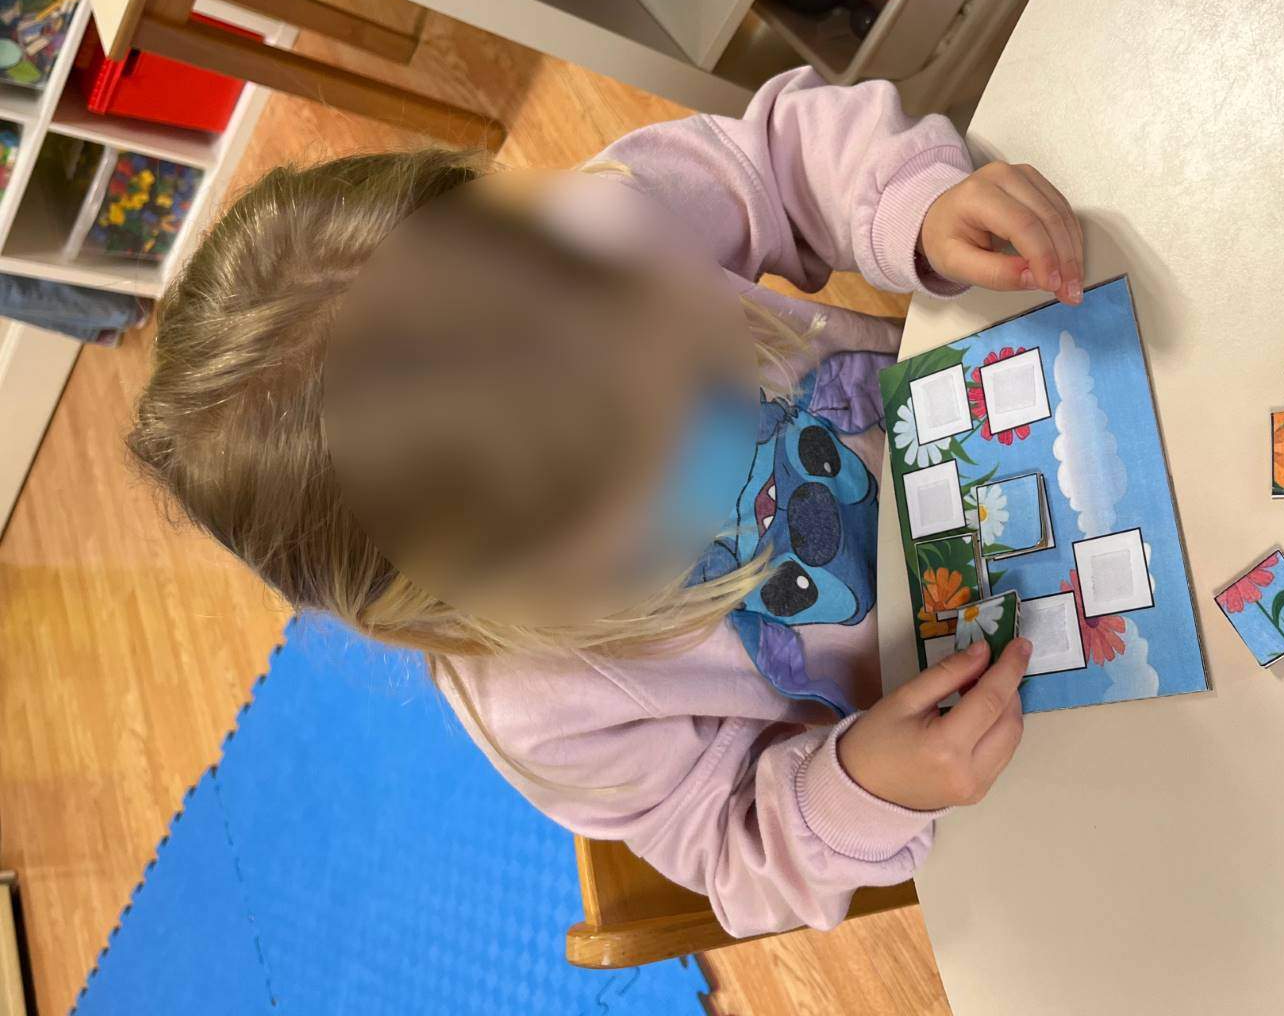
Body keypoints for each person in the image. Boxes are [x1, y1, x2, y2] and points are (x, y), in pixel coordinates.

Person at [129, 68, 1084, 937]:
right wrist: (862, 788)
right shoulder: (543, 709)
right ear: (473, 589)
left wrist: (912, 205)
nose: (681, 377)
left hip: (1043, 413)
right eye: (630, 454)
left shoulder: (597, 230)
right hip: (1025, 732)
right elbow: (734, 855)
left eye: (631, 309)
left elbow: (779, 160)